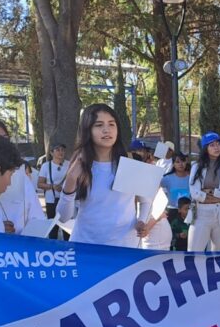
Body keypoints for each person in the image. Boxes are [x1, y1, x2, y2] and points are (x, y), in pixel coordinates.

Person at [57, 104, 148, 247]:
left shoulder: (130, 161)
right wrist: (71, 180)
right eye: (99, 125)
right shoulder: (79, 164)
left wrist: (142, 221)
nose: (107, 130)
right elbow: (63, 216)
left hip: (124, 248)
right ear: (87, 130)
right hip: (86, 247)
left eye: (111, 124)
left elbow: (145, 200)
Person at [188, 132, 220, 252]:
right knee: (194, 253)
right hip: (201, 215)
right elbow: (195, 193)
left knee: (218, 257)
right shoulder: (196, 167)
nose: (217, 148)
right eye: (212, 145)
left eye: (218, 144)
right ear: (205, 148)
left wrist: (212, 192)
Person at [129, 149, 173, 251]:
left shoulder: (150, 180)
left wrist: (147, 228)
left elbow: (160, 206)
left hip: (155, 233)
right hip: (140, 233)